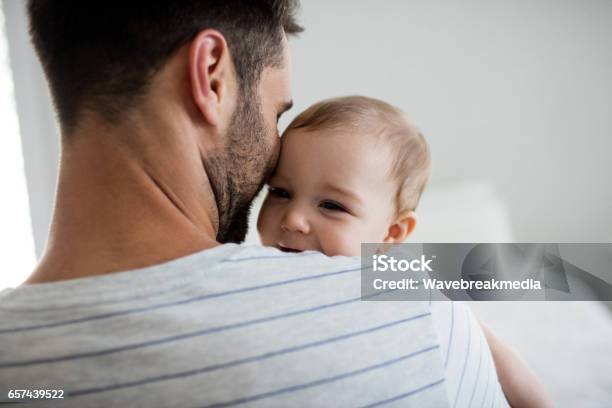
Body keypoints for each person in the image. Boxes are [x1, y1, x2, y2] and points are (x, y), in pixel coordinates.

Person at [1, 1, 508, 406]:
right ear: (212, 75)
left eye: (333, 205)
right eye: (275, 112)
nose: (293, 217)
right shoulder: (413, 317)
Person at [257, 95, 553, 407]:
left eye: (332, 205)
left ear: (391, 233)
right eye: (280, 192)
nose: (293, 220)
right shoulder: (251, 272)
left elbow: (489, 351)